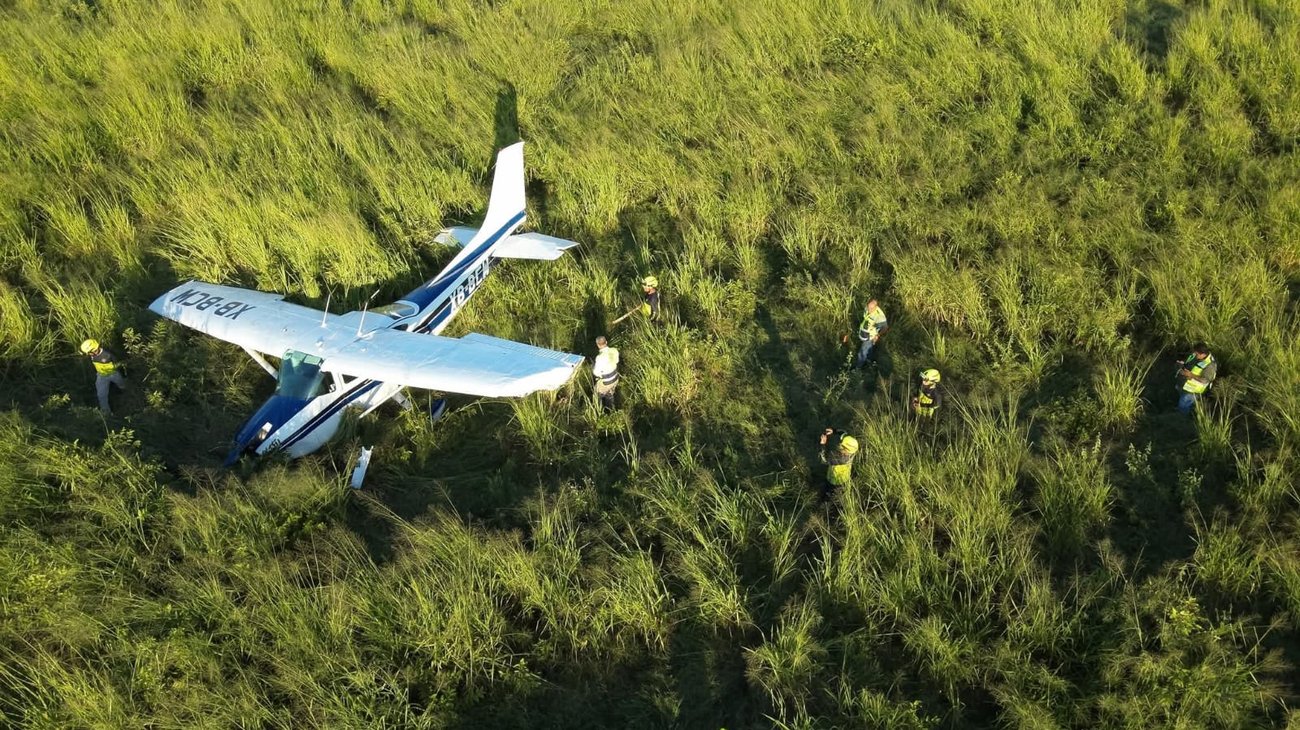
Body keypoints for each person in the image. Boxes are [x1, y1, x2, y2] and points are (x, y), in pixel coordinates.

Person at [81, 339, 126, 415]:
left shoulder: (108, 354)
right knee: (101, 396)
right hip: (101, 376)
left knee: (122, 385)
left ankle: (125, 394)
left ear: (94, 350)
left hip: (114, 374)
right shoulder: (92, 356)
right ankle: (106, 413)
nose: (88, 355)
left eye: (88, 353)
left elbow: (119, 364)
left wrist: (123, 374)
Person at [1175, 342, 1216, 414]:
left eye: (1197, 354)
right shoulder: (1195, 355)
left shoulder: (1210, 365)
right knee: (1184, 406)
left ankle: (1182, 420)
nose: (1194, 355)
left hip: (1192, 391)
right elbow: (1188, 362)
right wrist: (1181, 364)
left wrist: (1191, 375)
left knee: (1183, 408)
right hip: (1184, 386)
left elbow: (1205, 380)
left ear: (1203, 354)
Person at [818, 427, 859, 498]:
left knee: (832, 495)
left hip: (835, 481)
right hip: (846, 478)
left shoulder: (841, 458)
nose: (840, 444)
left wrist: (822, 444)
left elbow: (823, 460)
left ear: (845, 449)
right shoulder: (854, 447)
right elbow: (844, 433)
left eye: (842, 445)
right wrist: (834, 431)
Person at [854, 299, 888, 369]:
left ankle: (857, 368)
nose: (869, 310)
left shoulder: (880, 317)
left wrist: (878, 335)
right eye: (868, 307)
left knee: (862, 352)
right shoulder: (867, 308)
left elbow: (885, 328)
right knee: (869, 349)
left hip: (870, 336)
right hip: (864, 334)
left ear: (876, 307)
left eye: (871, 308)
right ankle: (870, 361)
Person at [592, 335, 620, 412]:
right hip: (615, 378)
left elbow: (596, 372)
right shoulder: (614, 350)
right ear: (606, 342)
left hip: (606, 381)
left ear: (597, 344)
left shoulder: (599, 357)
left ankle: (598, 411)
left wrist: (594, 367)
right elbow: (617, 361)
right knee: (610, 394)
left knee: (596, 395)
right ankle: (611, 410)